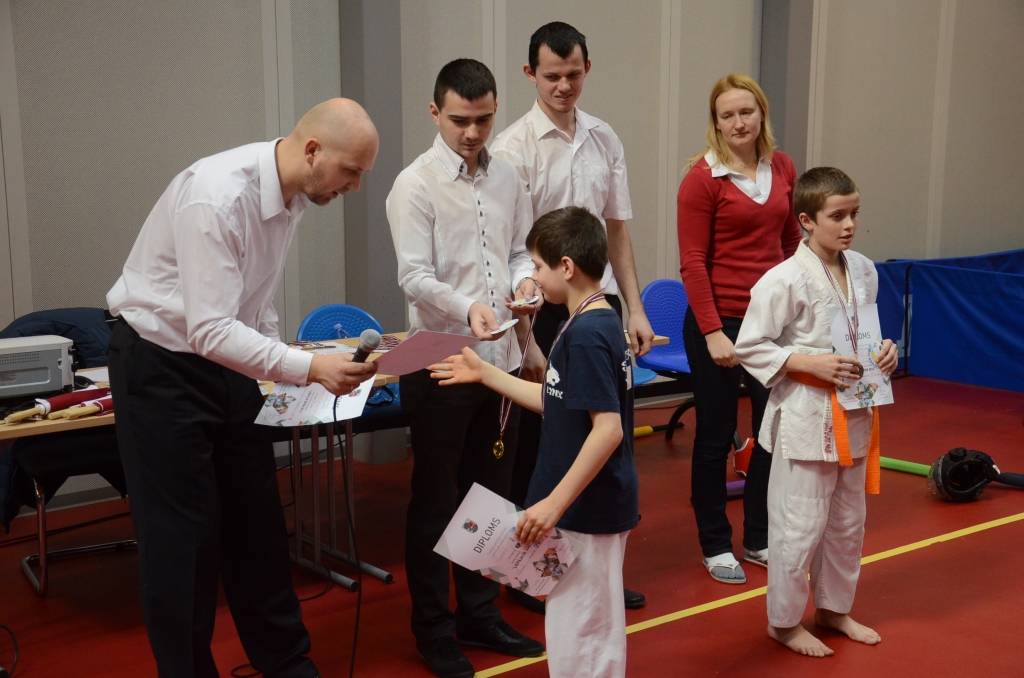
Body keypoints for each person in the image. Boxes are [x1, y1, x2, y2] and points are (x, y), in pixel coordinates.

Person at [106, 98, 380, 677]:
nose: (354, 187)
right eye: (352, 171)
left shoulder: (292, 195)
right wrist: (308, 369)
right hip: (161, 367)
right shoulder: (218, 195)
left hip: (226, 367)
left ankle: (287, 665)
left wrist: (284, 372)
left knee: (258, 527)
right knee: (182, 544)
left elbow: (254, 302)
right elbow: (209, 328)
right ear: (313, 150)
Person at [431, 206, 639, 678]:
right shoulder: (592, 320)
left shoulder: (587, 334)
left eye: (539, 267)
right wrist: (485, 373)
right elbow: (557, 401)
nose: (535, 278)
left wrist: (552, 505)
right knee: (575, 628)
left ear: (566, 267)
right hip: (581, 507)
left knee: (583, 634)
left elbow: (608, 429)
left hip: (586, 510)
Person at [385, 59, 543, 678]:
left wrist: (524, 284)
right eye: (459, 120)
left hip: (500, 359)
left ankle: (479, 612)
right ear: (435, 113)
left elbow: (517, 250)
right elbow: (413, 276)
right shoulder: (415, 184)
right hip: (440, 359)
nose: (473, 133)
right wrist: (468, 306)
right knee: (437, 498)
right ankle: (433, 627)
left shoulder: (506, 175)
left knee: (491, 494)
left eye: (483, 119)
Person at [490, 19, 651, 611]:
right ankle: (535, 572)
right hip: (545, 307)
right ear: (530, 74)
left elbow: (617, 231)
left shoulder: (605, 137)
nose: (563, 86)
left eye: (574, 75)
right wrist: (528, 330)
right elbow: (514, 249)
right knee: (547, 444)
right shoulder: (512, 148)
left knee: (608, 435)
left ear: (588, 70)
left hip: (597, 305)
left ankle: (597, 565)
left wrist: (634, 308)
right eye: (552, 76)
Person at [734, 167, 897, 657]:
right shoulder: (782, 280)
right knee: (798, 525)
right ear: (806, 220)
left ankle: (833, 609)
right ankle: (783, 623)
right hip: (805, 417)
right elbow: (749, 345)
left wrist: (885, 352)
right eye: (837, 216)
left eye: (854, 214)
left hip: (857, 406)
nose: (849, 225)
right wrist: (807, 362)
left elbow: (864, 333)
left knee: (848, 523)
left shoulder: (864, 270)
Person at [676, 73, 802, 584]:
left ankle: (758, 537)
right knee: (714, 435)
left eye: (746, 112)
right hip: (720, 323)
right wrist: (713, 332)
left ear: (761, 113)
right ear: (716, 122)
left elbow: (791, 244)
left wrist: (797, 311)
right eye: (727, 115)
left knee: (771, 431)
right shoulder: (702, 179)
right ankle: (714, 544)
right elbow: (692, 262)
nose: (738, 122)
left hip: (770, 324)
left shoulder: (783, 167)